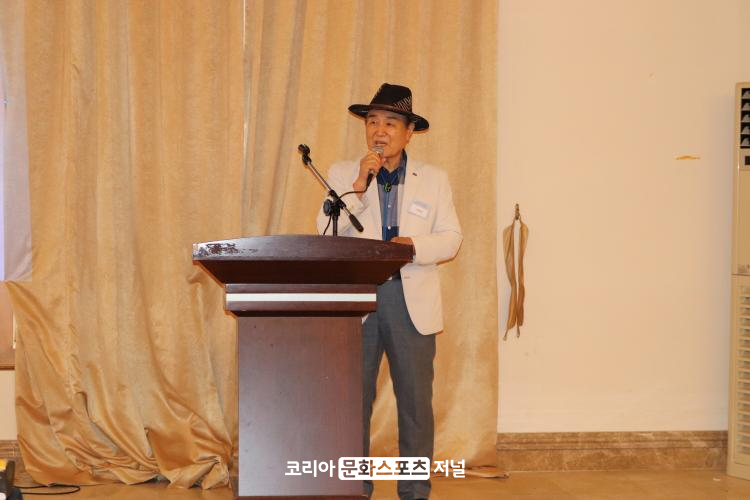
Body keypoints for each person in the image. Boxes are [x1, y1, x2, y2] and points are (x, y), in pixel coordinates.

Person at [316, 83, 462, 500]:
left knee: (415, 403)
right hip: (359, 299)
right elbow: (326, 234)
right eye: (373, 122)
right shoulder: (344, 174)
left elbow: (451, 238)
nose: (379, 131)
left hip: (409, 297)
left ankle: (415, 490)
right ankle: (355, 488)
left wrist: (413, 246)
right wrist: (360, 185)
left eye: (390, 123)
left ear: (409, 132)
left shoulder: (433, 180)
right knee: (353, 400)